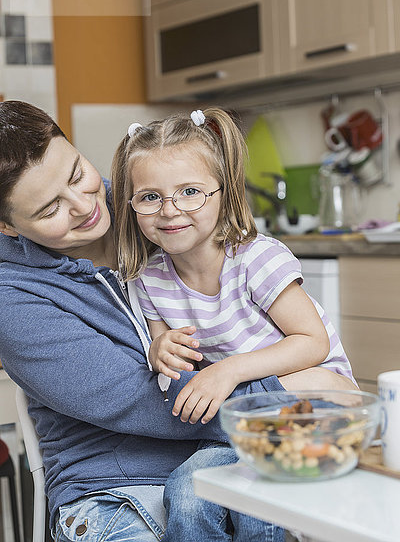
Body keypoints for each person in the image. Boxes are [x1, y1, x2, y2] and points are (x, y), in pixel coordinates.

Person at [0, 100, 287, 542]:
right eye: (49, 209)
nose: (84, 205)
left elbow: (256, 302)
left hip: (233, 453)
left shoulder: (154, 202)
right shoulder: (12, 297)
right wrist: (285, 400)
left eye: (77, 174)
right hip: (116, 489)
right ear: (7, 227)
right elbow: (137, 397)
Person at [112, 107, 357, 427]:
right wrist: (160, 351)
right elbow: (172, 362)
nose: (170, 211)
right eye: (149, 197)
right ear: (131, 204)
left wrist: (228, 370)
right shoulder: (149, 278)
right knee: (193, 475)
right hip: (244, 407)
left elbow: (313, 342)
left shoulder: (256, 260)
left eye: (190, 192)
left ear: (223, 193)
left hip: (316, 393)